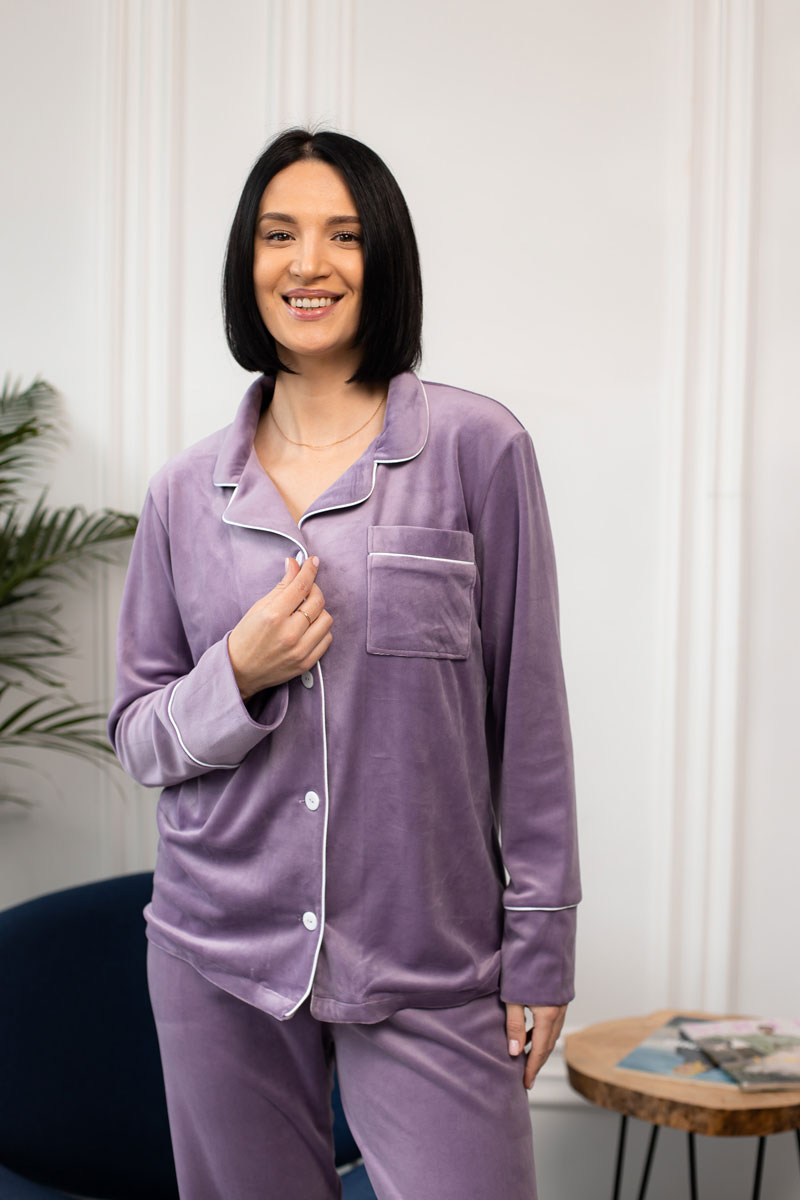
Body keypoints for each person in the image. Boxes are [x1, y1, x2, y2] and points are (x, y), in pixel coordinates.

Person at [108, 127, 581, 1200]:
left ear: (384, 259)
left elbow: (531, 720)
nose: (308, 263)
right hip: (217, 951)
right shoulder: (183, 493)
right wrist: (236, 671)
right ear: (248, 262)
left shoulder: (477, 449)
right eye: (279, 235)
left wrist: (541, 947)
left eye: (344, 235)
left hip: (429, 956)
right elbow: (137, 736)